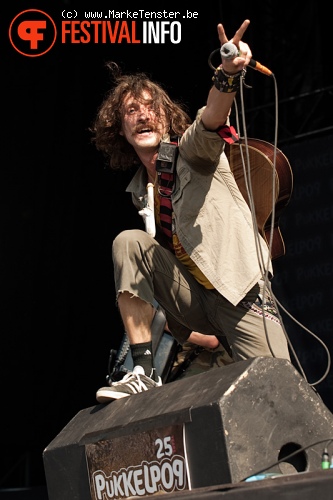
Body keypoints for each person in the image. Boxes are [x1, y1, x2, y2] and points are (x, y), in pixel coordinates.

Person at [92, 19, 290, 403]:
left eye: (152, 108)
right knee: (129, 243)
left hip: (240, 294)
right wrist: (185, 332)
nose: (144, 115)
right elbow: (158, 270)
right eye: (132, 110)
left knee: (280, 398)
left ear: (167, 118)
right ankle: (143, 371)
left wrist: (228, 74)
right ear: (120, 128)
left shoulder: (192, 151)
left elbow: (213, 117)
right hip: (197, 305)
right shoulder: (140, 191)